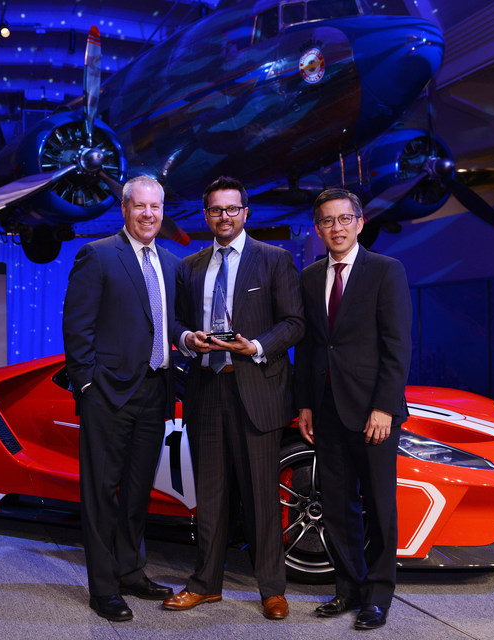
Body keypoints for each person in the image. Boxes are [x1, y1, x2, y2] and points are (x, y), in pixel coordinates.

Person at [163, 176, 304, 620]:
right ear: (206, 216)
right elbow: (174, 324)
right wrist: (188, 338)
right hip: (206, 391)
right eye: (215, 210)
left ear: (246, 212)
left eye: (231, 209)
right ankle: (206, 584)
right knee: (210, 496)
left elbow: (295, 323)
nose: (224, 217)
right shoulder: (190, 266)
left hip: (256, 391)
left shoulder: (274, 259)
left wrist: (256, 346)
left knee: (262, 497)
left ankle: (271, 590)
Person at [62, 175, 181, 622]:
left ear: (162, 211)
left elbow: (168, 327)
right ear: (125, 208)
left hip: (155, 392)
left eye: (156, 207)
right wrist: (88, 385)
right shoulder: (97, 254)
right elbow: (77, 328)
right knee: (101, 494)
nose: (148, 214)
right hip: (107, 394)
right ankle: (104, 587)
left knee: (136, 492)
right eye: (140, 206)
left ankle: (131, 571)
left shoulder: (171, 263)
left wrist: (190, 340)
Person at [294, 188, 411, 631]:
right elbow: (307, 348)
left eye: (344, 219)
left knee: (379, 505)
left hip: (372, 413)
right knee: (337, 504)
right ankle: (347, 589)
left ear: (360, 223)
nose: (335, 228)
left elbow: (397, 346)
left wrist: (384, 406)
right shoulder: (308, 277)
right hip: (325, 409)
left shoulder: (386, 271)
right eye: (326, 221)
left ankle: (378, 596)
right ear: (318, 228)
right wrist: (304, 402)